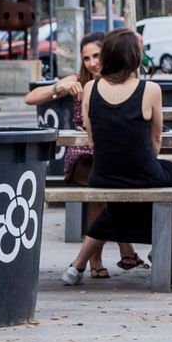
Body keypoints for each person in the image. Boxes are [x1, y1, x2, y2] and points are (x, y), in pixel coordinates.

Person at [61, 29, 172, 285]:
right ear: (134, 57)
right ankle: (163, 242)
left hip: (102, 174)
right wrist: (142, 164)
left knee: (120, 208)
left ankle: (76, 267)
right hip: (141, 171)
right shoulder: (150, 89)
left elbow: (91, 138)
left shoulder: (90, 88)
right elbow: (156, 140)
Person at [25, 31, 144, 278]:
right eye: (87, 58)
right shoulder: (80, 80)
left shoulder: (123, 80)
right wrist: (59, 86)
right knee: (104, 188)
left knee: (107, 190)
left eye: (97, 55)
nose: (93, 63)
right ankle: (117, 251)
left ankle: (105, 255)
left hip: (111, 155)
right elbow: (31, 98)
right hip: (83, 156)